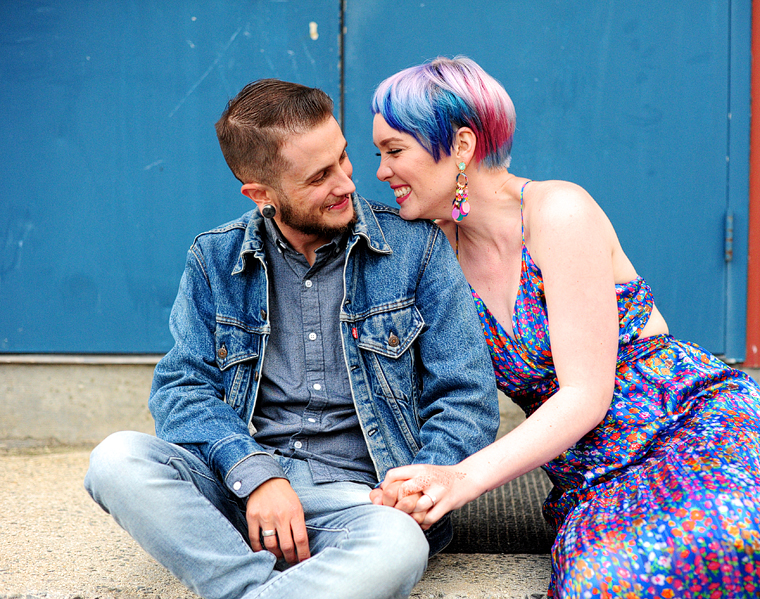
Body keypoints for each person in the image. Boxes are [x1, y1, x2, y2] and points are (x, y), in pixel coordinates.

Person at [368, 57, 760, 598]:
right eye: (378, 154)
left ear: (459, 145)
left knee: (721, 542)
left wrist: (463, 479)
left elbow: (586, 395)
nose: (381, 172)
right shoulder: (436, 257)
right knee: (602, 581)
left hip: (692, 427)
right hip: (594, 472)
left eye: (394, 150)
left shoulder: (557, 212)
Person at [83, 79, 498, 599]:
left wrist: (418, 485)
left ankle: (241, 587)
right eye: (319, 176)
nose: (347, 183)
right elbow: (181, 388)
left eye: (343, 158)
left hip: (364, 503)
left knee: (400, 544)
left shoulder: (416, 248)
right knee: (116, 459)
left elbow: (466, 394)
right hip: (242, 496)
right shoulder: (215, 259)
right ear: (261, 194)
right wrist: (254, 473)